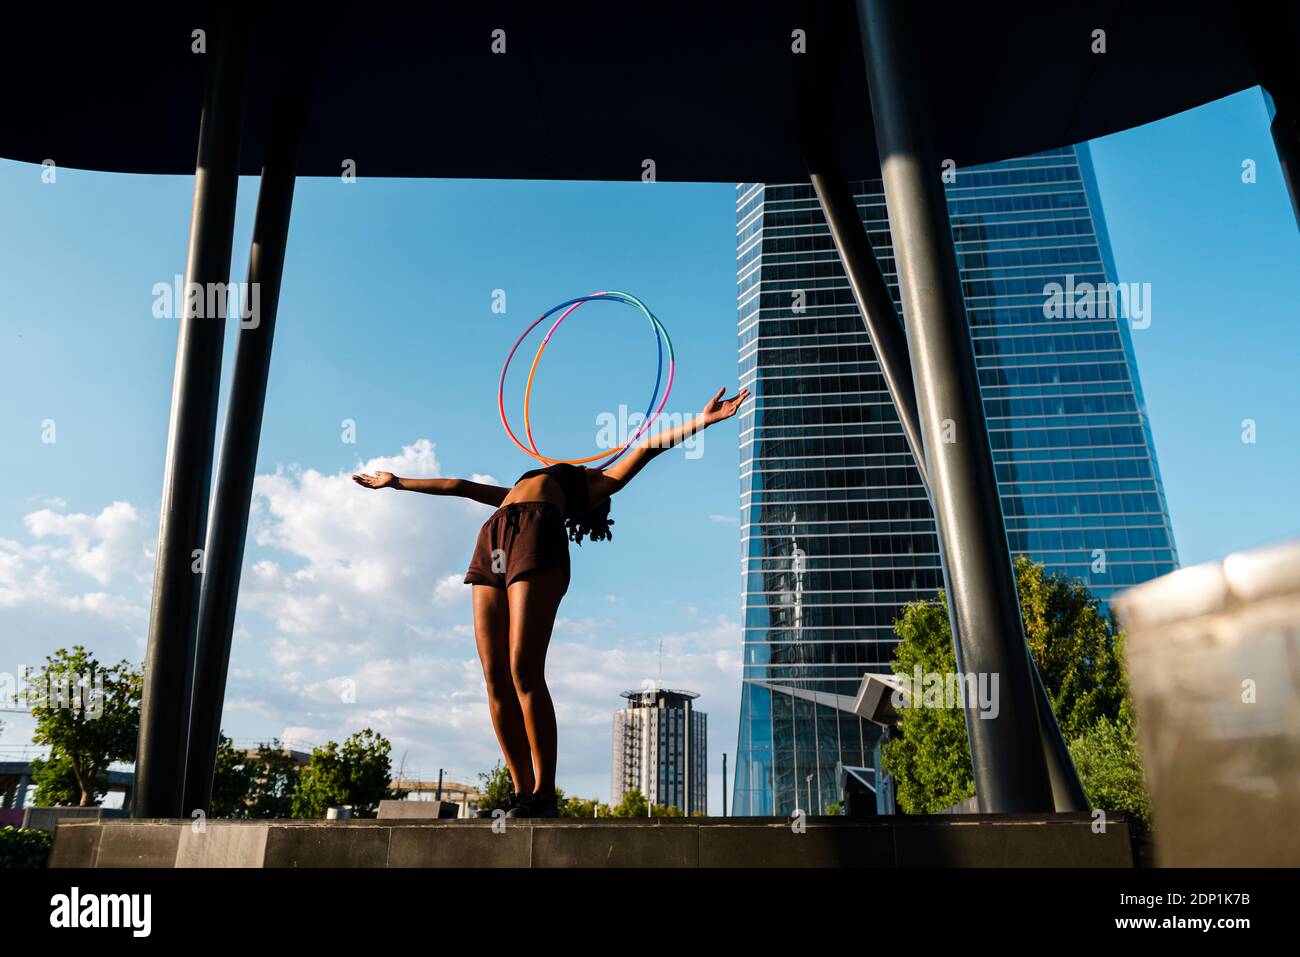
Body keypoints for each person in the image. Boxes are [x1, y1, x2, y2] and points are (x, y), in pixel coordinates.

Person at [352, 386, 748, 817]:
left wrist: (703, 421)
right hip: (492, 536)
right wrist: (398, 483)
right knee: (493, 675)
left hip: (536, 539)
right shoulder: (515, 491)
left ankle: (544, 793)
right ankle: (521, 793)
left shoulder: (594, 484)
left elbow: (650, 446)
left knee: (524, 668)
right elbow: (461, 486)